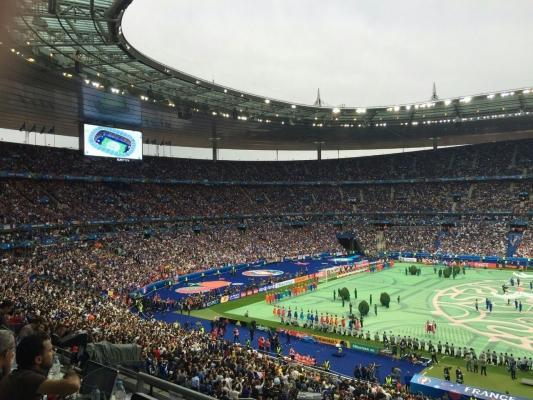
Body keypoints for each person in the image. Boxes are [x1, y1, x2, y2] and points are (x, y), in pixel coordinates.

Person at [0, 332, 81, 399]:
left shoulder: (21, 374)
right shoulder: (28, 378)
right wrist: (72, 372)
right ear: (38, 359)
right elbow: (73, 385)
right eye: (50, 350)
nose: (53, 353)